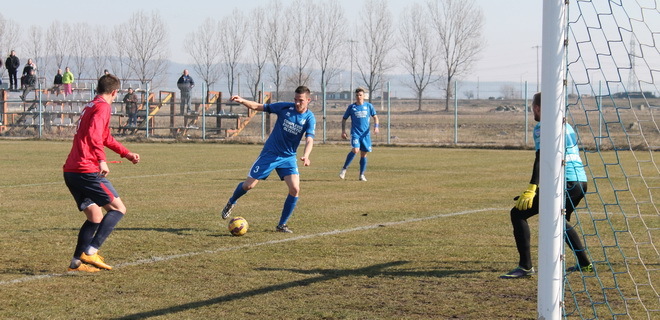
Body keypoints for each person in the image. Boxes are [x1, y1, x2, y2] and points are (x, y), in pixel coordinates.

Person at [500, 92, 591, 279]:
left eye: (532, 106)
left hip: (566, 182)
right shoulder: (567, 125)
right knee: (560, 223)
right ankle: (584, 264)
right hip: (579, 181)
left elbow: (541, 157)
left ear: (538, 108)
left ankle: (525, 267)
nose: (532, 110)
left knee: (518, 213)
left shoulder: (543, 127)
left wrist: (532, 188)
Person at [63, 73, 141, 272]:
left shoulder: (91, 105)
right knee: (118, 209)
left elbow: (105, 137)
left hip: (72, 171)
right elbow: (95, 136)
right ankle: (90, 252)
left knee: (94, 217)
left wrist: (127, 153)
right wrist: (101, 160)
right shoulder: (103, 107)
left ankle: (76, 262)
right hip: (86, 170)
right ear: (114, 92)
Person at [220, 86, 316, 233]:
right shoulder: (284, 107)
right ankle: (231, 202)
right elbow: (259, 106)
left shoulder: (309, 118)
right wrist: (242, 100)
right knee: (248, 186)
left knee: (295, 189)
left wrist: (306, 155)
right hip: (270, 154)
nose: (297, 103)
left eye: (301, 100)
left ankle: (281, 225)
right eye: (296, 100)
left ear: (308, 100)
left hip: (288, 157)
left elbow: (309, 139)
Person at [339, 88, 379, 181]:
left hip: (365, 135)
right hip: (355, 133)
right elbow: (344, 119)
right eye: (357, 95)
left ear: (364, 96)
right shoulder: (352, 107)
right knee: (355, 150)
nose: (358, 97)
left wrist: (376, 127)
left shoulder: (369, 106)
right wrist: (343, 131)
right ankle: (344, 169)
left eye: (360, 95)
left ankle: (361, 175)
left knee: (363, 155)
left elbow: (375, 117)